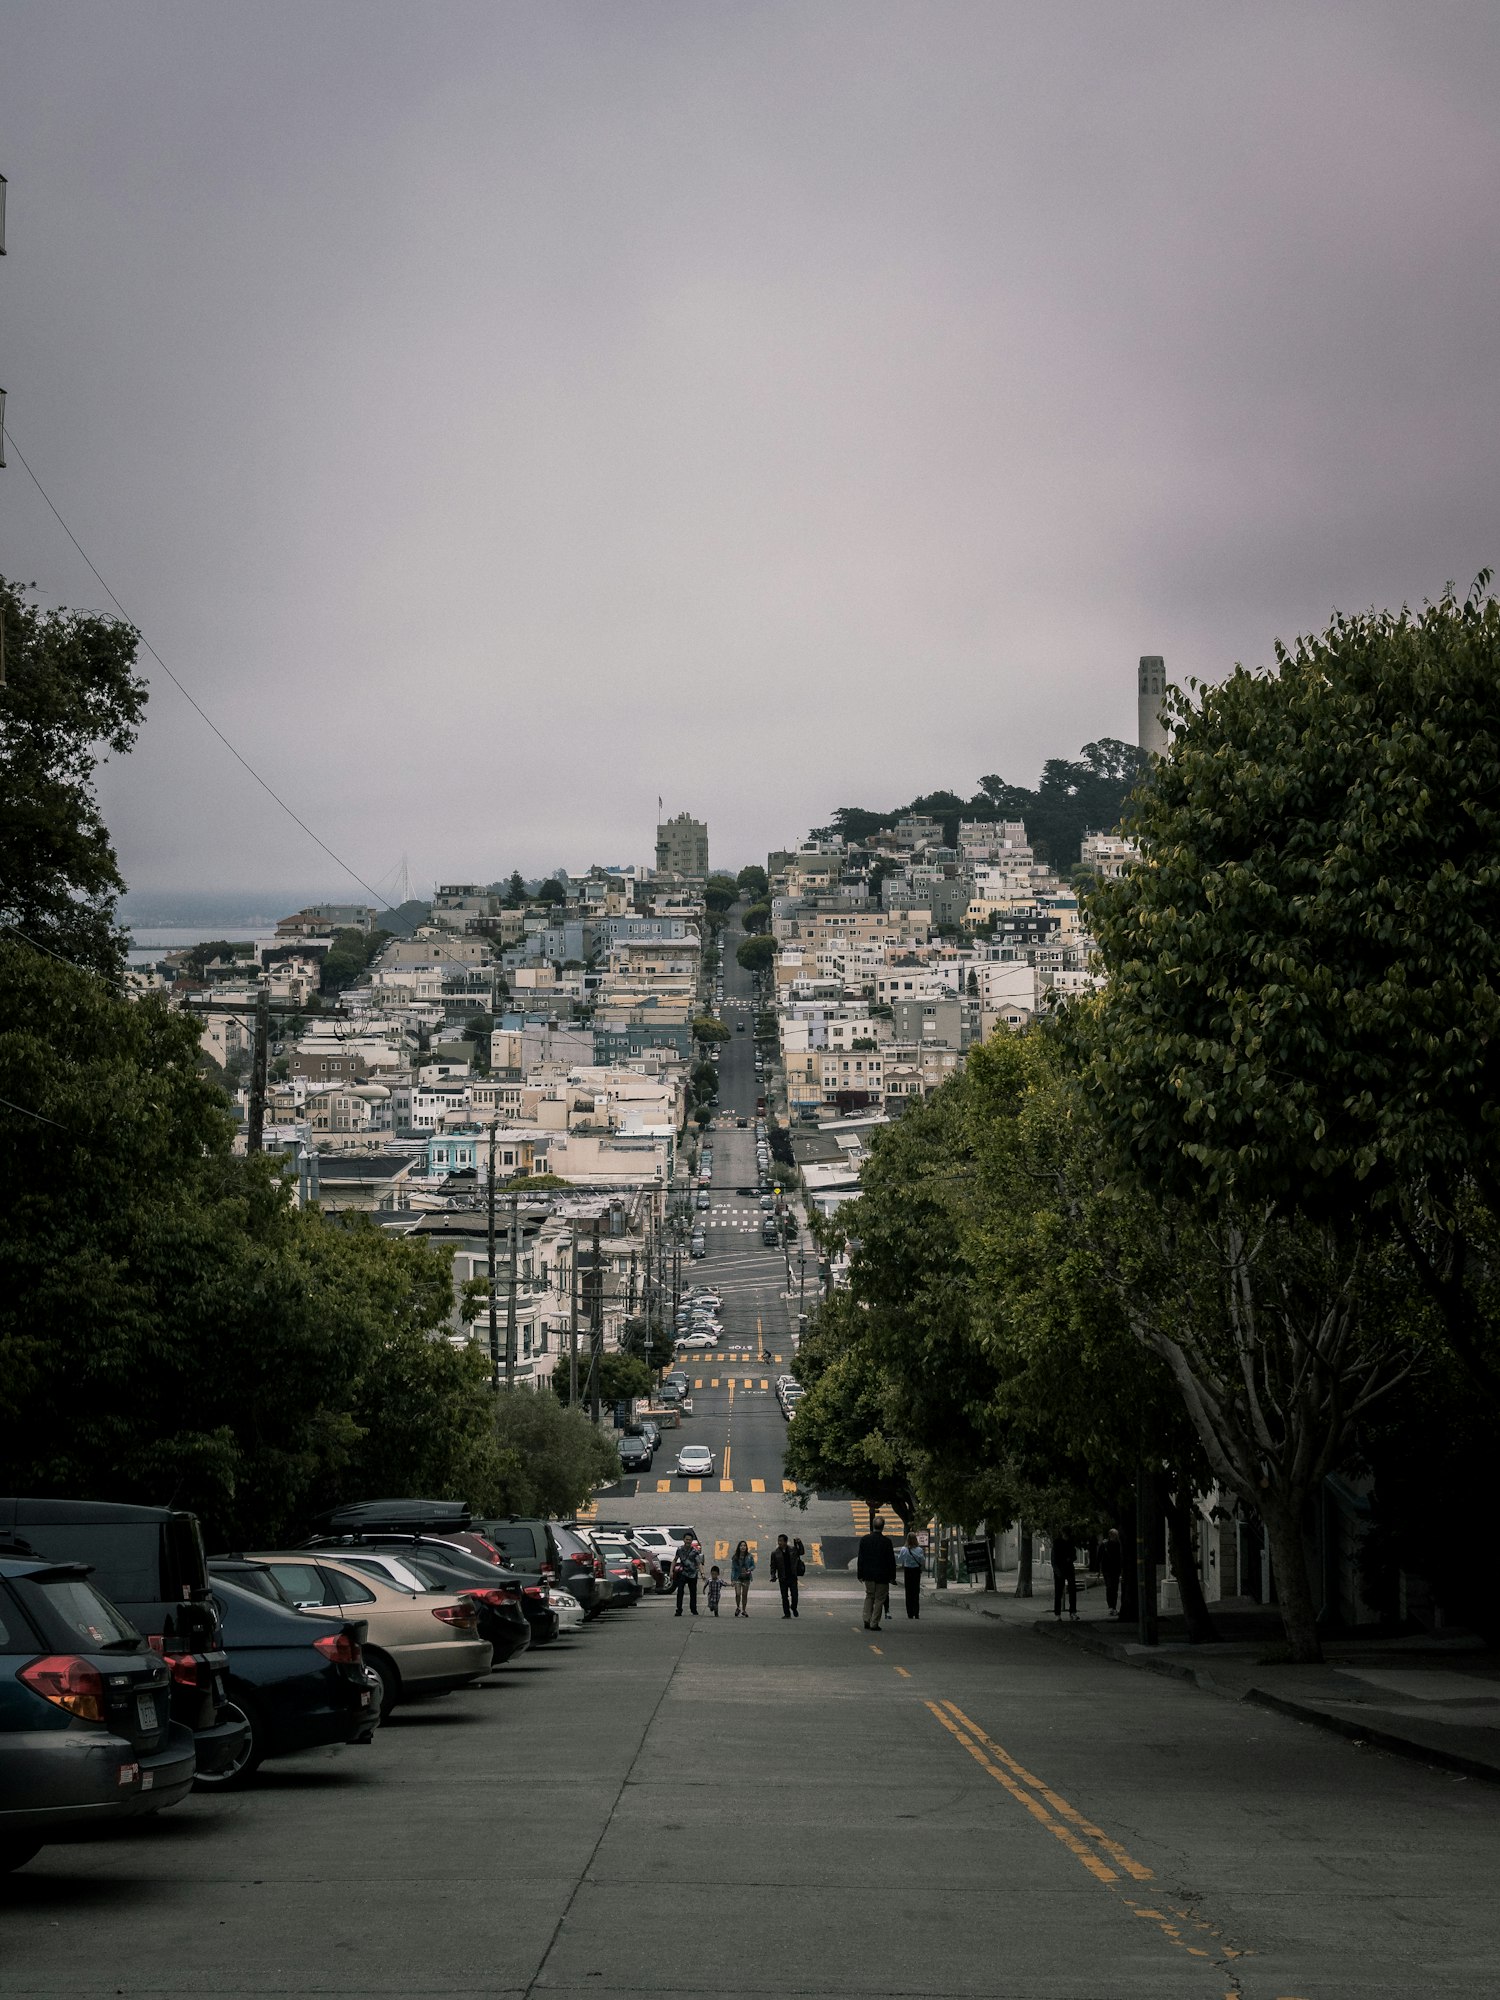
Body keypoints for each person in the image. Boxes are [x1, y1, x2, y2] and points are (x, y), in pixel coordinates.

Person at [857, 1515, 898, 1631]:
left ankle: (866, 1618)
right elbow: (891, 1560)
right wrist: (892, 1576)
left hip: (868, 1574)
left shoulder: (865, 1540)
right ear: (883, 1527)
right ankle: (874, 1622)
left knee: (869, 1596)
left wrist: (860, 1574)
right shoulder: (887, 1542)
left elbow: (861, 1558)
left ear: (873, 1525)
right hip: (882, 1575)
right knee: (880, 1599)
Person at [770, 1533, 801, 1618]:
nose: (779, 1543)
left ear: (786, 1542)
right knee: (784, 1596)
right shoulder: (775, 1553)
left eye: (781, 1541)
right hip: (782, 1577)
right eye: (778, 1541)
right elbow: (773, 1566)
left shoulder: (792, 1550)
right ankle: (787, 1613)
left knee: (795, 1595)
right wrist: (773, 1575)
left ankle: (794, 1607)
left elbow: (801, 1552)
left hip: (792, 1576)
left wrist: (799, 1543)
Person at [895, 1532, 925, 1620]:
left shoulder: (904, 1549)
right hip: (916, 1570)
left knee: (908, 1592)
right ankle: (916, 1612)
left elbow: (900, 1559)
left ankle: (910, 1613)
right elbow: (922, 1560)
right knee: (916, 1592)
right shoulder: (919, 1549)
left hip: (908, 1570)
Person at [1051, 1528, 1078, 1621]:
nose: (1066, 1536)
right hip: (1060, 1569)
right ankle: (1058, 1614)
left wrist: (1070, 1559)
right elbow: (1054, 1558)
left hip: (1068, 1569)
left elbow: (1074, 1556)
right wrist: (1057, 1571)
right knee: (1058, 1592)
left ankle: (1072, 1612)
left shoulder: (1070, 1543)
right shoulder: (1057, 1543)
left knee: (1072, 1591)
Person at [673, 1534, 701, 1616]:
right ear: (684, 1540)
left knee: (693, 1592)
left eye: (690, 1540)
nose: (688, 1541)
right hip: (683, 1572)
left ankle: (693, 1609)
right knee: (680, 1590)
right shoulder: (679, 1549)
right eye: (687, 1539)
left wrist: (702, 1573)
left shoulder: (695, 1551)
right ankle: (679, 1609)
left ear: (692, 1541)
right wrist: (671, 1571)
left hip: (693, 1574)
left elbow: (699, 1563)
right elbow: (675, 1560)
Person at [1098, 1528, 1123, 1616]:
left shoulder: (1115, 1544)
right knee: (1111, 1588)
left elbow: (1099, 1557)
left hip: (1112, 1569)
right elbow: (1099, 1557)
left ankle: (1112, 1607)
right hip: (1109, 1569)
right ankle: (1112, 1607)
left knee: (1112, 1588)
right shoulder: (1109, 1544)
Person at [730, 1539, 756, 1617]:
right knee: (738, 1593)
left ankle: (744, 1610)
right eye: (741, 1545)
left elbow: (753, 1565)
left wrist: (749, 1570)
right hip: (738, 1578)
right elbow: (733, 1568)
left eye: (744, 1545)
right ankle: (738, 1607)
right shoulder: (735, 1557)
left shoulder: (749, 1556)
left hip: (746, 1578)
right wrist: (732, 1579)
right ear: (739, 1547)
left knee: (744, 1594)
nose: (743, 1547)